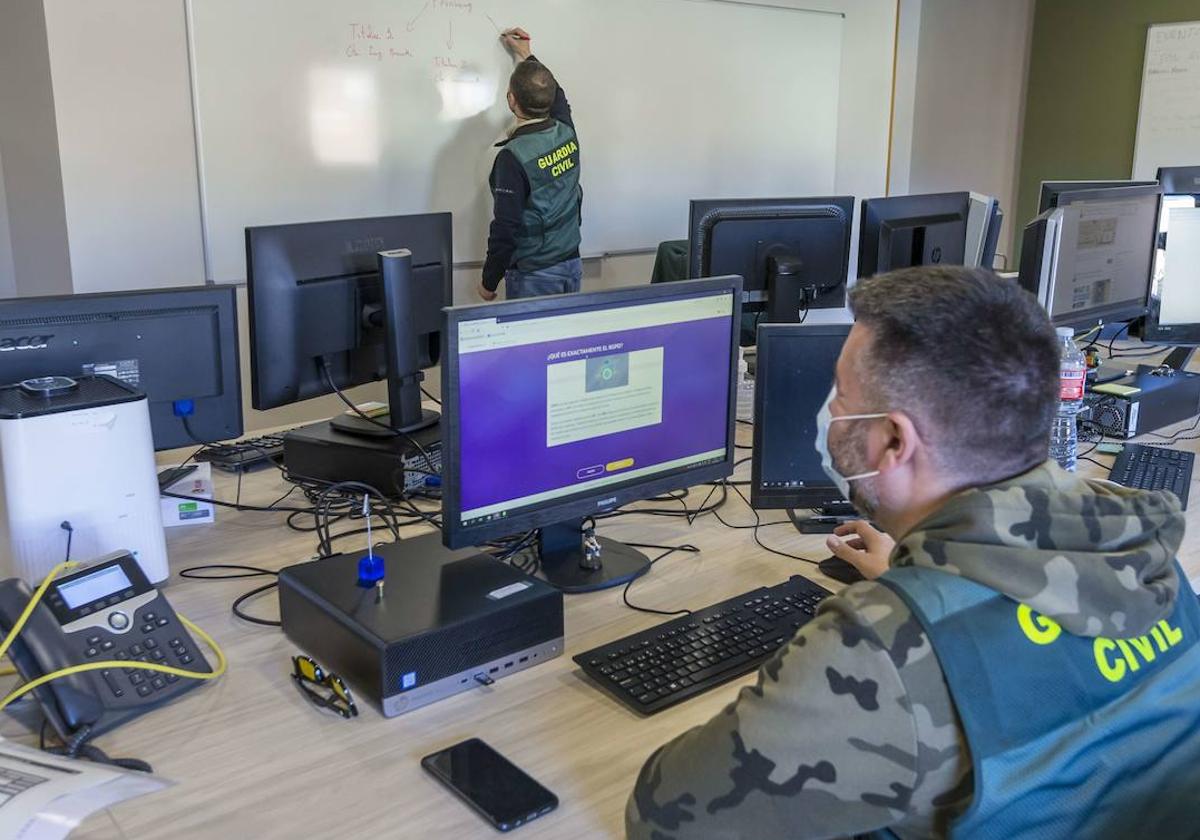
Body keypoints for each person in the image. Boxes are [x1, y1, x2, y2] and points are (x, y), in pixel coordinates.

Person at [626, 266, 1200, 839]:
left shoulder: (879, 647)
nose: (829, 412)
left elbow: (662, 820)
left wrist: (902, 608)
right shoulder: (1141, 545)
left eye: (840, 393)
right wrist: (919, 570)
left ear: (894, 441)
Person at [478, 28, 582, 301]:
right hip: (572, 264)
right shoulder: (566, 129)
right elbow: (556, 92)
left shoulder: (512, 158)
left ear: (511, 99)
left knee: (537, 346)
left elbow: (505, 227)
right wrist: (526, 55)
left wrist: (489, 282)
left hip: (535, 275)